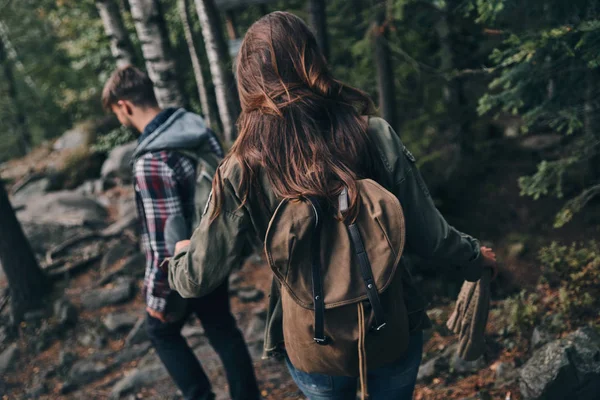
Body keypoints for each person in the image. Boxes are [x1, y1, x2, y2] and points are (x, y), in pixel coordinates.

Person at [167, 12, 497, 400]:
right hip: (390, 327)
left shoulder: (242, 167)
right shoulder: (372, 134)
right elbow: (429, 235)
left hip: (312, 344)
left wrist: (180, 257)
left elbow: (197, 279)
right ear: (312, 61)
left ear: (248, 80)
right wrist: (476, 258)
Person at [101, 66, 260, 400]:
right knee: (222, 329)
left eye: (117, 112)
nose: (120, 119)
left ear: (124, 105)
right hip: (214, 249)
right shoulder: (196, 128)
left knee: (159, 331)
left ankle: (199, 395)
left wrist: (157, 296)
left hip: (185, 263)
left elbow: (163, 242)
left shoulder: (152, 161)